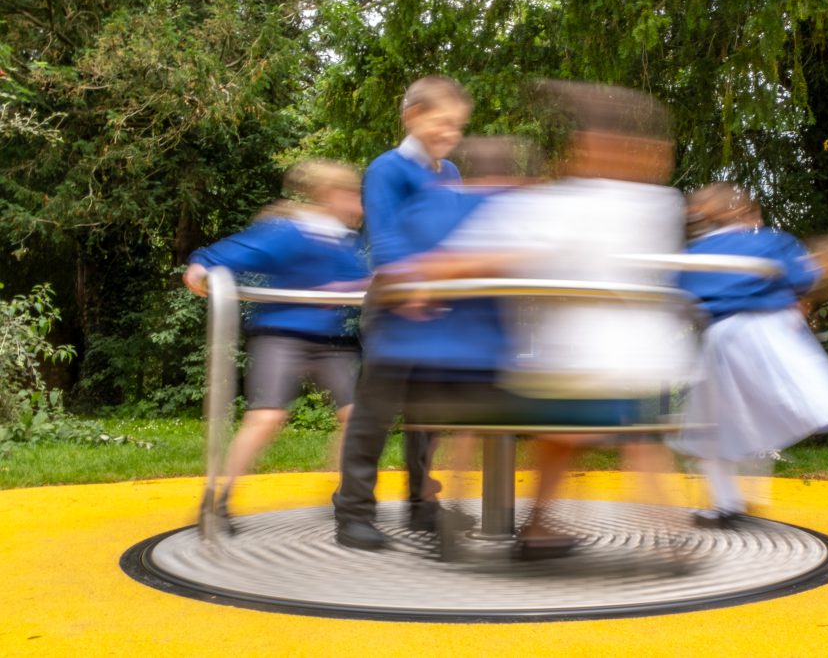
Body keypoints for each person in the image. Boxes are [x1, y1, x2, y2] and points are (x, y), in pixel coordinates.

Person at [389, 80, 697, 559]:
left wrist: (418, 274)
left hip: (571, 376)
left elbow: (487, 255)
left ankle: (647, 532)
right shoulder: (660, 204)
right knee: (621, 432)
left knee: (564, 418)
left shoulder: (563, 204)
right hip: (632, 373)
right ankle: (557, 527)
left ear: (589, 146)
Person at [667, 183, 828, 527]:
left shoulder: (694, 254)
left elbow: (679, 299)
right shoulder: (770, 241)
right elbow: (805, 276)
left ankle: (726, 503)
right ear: (748, 214)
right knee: (755, 420)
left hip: (722, 338)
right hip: (768, 334)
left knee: (714, 426)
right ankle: (745, 499)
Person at [183, 159, 370, 532]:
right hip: (281, 335)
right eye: (354, 196)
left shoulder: (344, 242)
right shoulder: (288, 231)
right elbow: (229, 254)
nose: (360, 207)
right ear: (333, 196)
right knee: (267, 417)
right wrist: (201, 266)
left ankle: (345, 494)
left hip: (329, 341)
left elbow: (358, 281)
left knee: (356, 417)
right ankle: (217, 501)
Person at [332, 76, 473, 549]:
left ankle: (421, 503)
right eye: (442, 122)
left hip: (437, 311)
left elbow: (457, 235)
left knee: (426, 415)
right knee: (374, 413)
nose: (450, 134)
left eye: (457, 126)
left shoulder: (449, 173)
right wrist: (410, 290)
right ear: (412, 116)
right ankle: (352, 511)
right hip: (395, 309)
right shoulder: (387, 169)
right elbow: (387, 238)